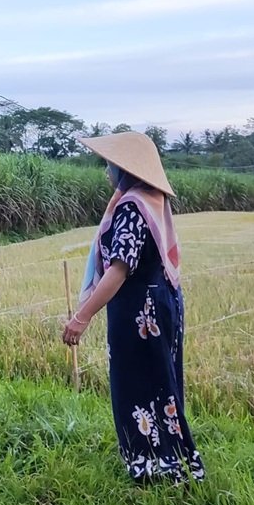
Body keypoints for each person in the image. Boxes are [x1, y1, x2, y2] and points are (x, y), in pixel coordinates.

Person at [62, 131, 205, 484]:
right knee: (161, 382)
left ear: (124, 168)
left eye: (109, 163)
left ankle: (150, 464)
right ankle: (169, 460)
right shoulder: (152, 199)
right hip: (162, 302)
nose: (106, 169)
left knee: (136, 383)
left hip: (140, 310)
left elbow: (119, 270)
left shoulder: (131, 206)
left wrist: (82, 317)